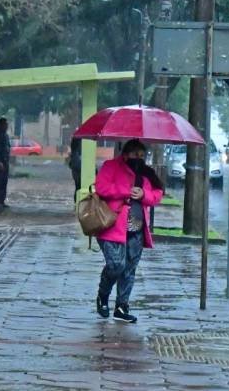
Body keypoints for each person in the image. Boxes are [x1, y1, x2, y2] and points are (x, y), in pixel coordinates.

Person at [94, 138, 163, 323]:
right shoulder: (111, 166)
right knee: (116, 265)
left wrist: (144, 195)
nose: (138, 158)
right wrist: (126, 190)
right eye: (134, 155)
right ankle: (103, 296)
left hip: (137, 228)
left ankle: (121, 306)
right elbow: (101, 187)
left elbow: (158, 194)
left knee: (129, 269)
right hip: (112, 226)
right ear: (125, 154)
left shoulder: (147, 173)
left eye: (142, 155)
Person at [68, 136, 82, 201]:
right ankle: (77, 202)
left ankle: (76, 202)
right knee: (78, 187)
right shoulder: (76, 153)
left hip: (76, 168)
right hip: (77, 170)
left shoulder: (75, 152)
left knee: (77, 187)